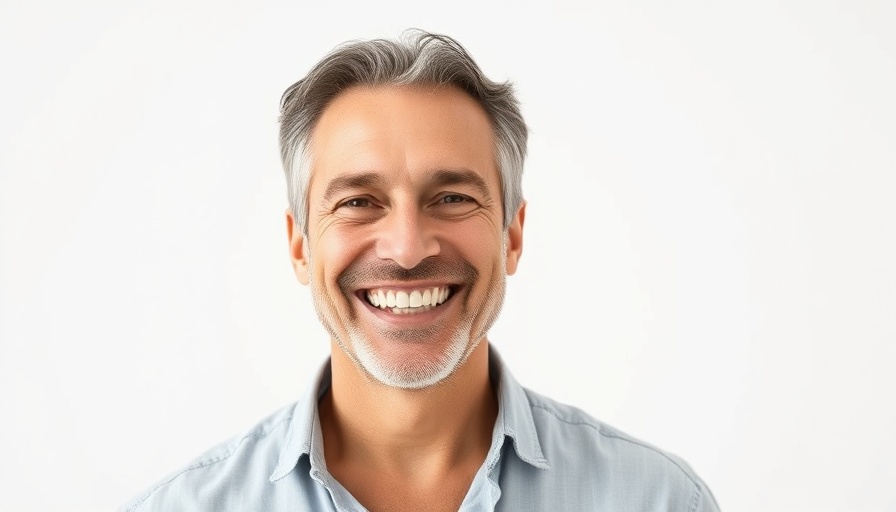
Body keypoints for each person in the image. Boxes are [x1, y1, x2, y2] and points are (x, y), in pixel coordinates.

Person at [121, 30, 721, 512]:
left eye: (453, 198)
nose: (407, 249)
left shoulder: (659, 501)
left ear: (512, 234)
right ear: (300, 246)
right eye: (358, 202)